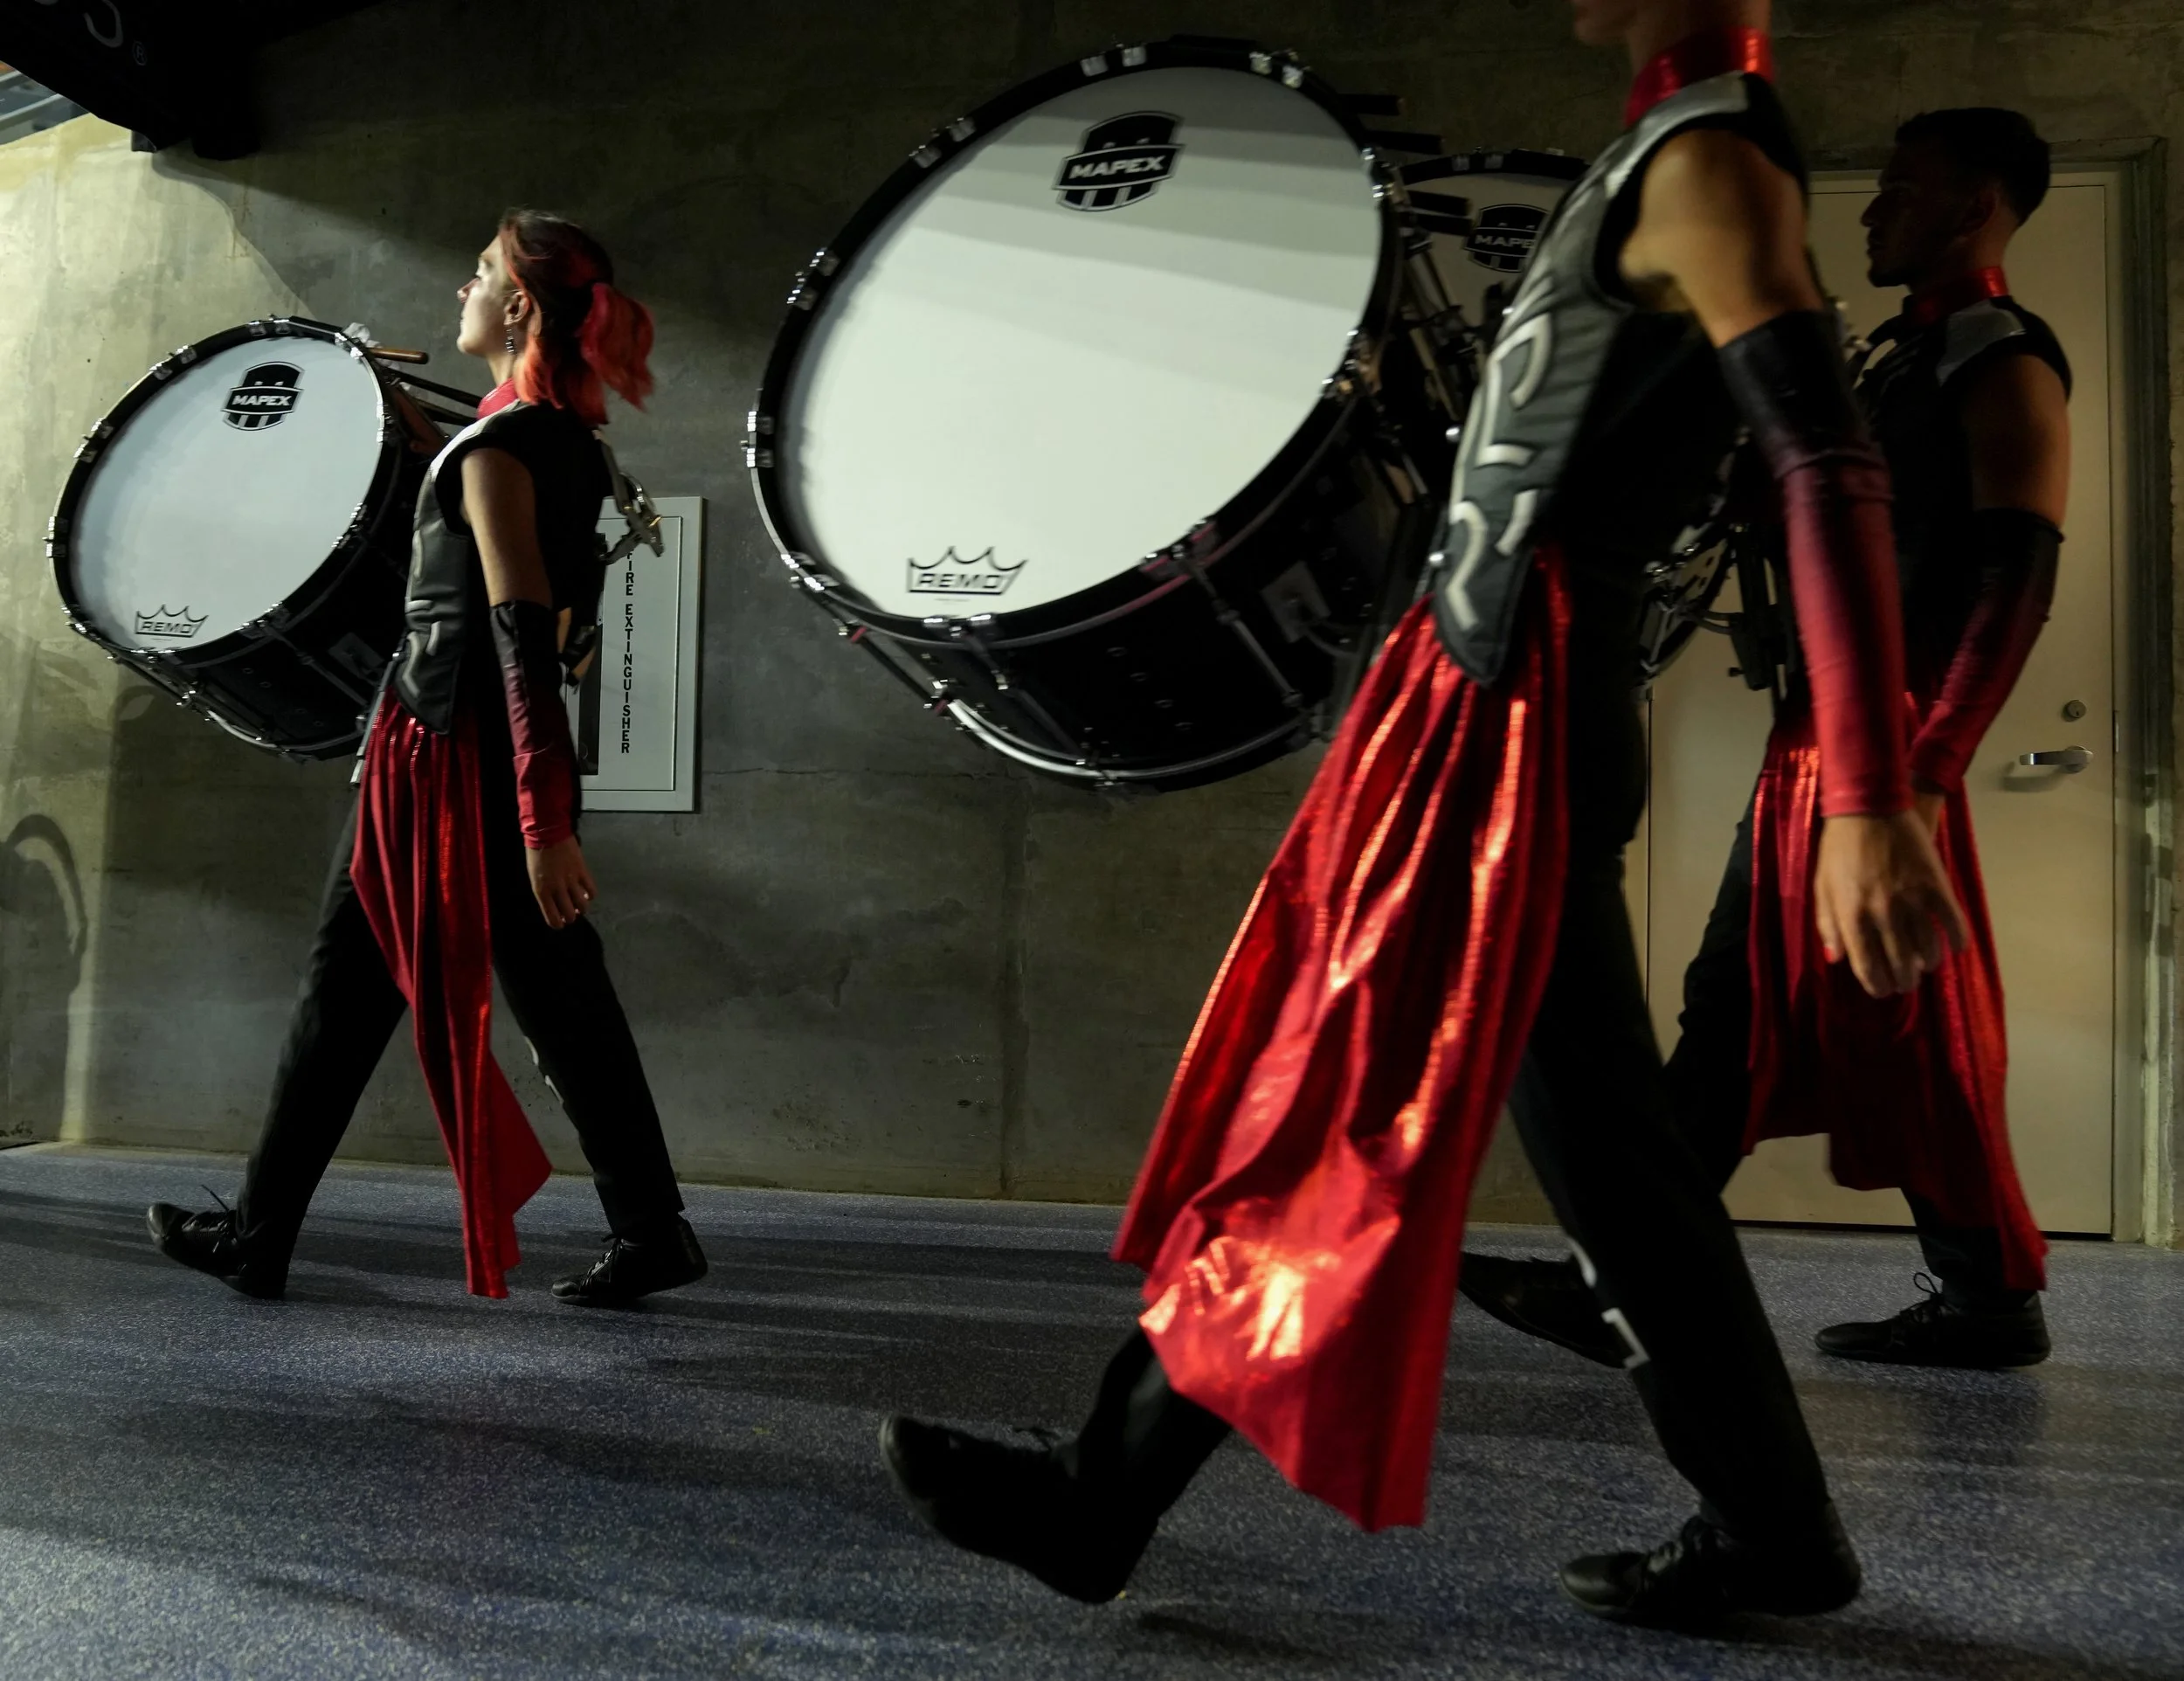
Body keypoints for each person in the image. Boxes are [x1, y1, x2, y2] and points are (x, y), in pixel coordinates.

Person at [881, 0, 1969, 1630]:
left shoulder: (1717, 159)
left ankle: (1098, 1494)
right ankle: (1774, 1527)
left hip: (1508, 735)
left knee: (1342, 1111)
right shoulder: (1675, 151)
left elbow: (1828, 462)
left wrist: (1876, 794)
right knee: (1606, 1162)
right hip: (1481, 710)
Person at [1463, 107, 2069, 1373]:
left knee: (1819, 1014)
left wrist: (1921, 770)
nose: (1872, 209)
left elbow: (2014, 586)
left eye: (1904, 189)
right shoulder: (1908, 358)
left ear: (1974, 207)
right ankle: (1970, 1295)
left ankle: (1642, 1285)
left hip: (1880, 753)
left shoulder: (1998, 354)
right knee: (1784, 1012)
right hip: (1833, 743)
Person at [147, 211, 707, 1307]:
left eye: (483, 273)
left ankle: (261, 1236)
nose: (463, 285)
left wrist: (545, 824)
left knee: (350, 991)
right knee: (523, 996)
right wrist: (421, 449)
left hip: (446, 765)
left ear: (519, 309)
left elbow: (517, 634)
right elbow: (540, 624)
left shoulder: (500, 451)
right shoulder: (554, 440)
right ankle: (649, 1227)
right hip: (463, 758)